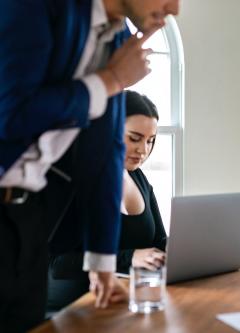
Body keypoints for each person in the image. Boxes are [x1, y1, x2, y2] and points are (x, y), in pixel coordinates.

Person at [0, 1, 179, 331]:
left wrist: (102, 262)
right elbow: (10, 114)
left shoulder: (116, 38)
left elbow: (105, 153)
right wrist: (110, 80)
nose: (175, 8)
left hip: (29, 216)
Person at [46, 91, 167, 314]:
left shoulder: (138, 178)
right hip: (74, 308)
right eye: (135, 138)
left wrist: (189, 254)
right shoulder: (75, 181)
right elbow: (56, 264)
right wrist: (130, 258)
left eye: (150, 141)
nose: (143, 150)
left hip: (125, 299)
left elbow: (158, 239)